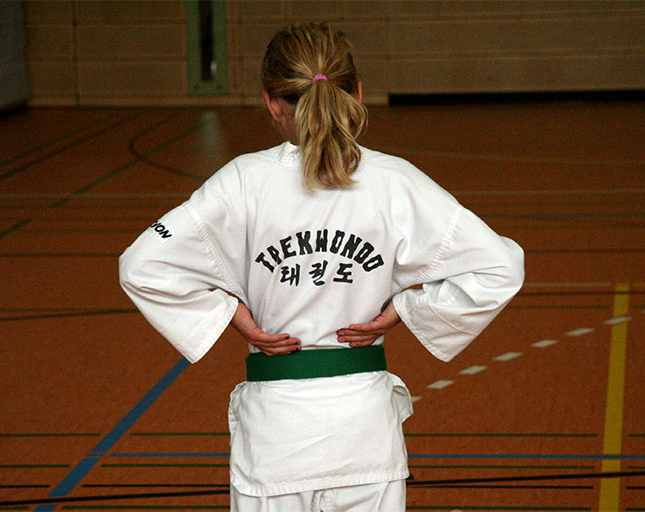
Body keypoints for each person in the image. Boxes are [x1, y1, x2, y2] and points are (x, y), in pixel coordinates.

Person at [119, 22, 524, 512]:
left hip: (274, 441)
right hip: (363, 434)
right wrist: (407, 308)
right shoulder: (394, 181)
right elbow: (500, 268)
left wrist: (232, 314)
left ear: (271, 103)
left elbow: (140, 264)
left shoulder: (243, 182)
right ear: (356, 92)